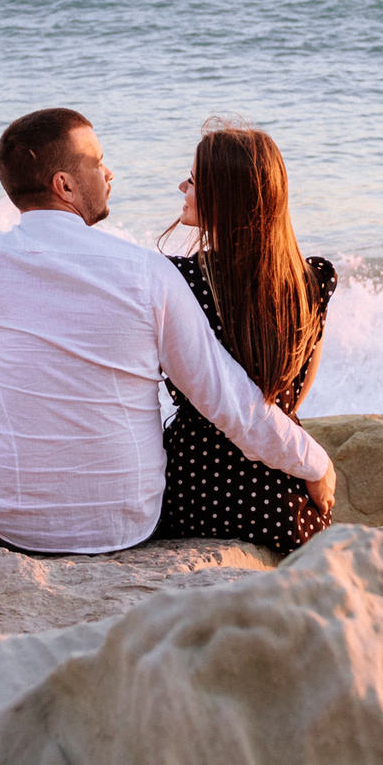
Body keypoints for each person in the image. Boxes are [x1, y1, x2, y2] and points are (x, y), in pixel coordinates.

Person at [0, 106, 336, 553]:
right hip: (130, 524)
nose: (108, 172)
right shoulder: (148, 273)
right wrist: (313, 462)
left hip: (8, 525)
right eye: (97, 162)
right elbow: (228, 398)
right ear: (64, 185)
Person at [153, 122, 338, 554]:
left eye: (193, 180)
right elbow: (295, 393)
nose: (182, 187)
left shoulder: (180, 281)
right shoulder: (311, 283)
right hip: (284, 500)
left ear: (223, 198)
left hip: (194, 490)